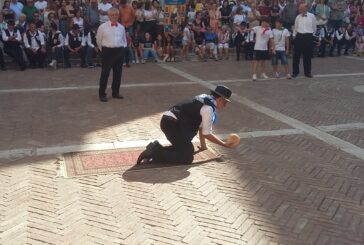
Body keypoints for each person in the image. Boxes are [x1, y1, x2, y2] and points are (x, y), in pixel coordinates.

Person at [136, 85, 235, 165]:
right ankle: (155, 152)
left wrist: (204, 146)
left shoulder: (205, 98)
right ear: (221, 99)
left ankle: (155, 148)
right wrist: (224, 144)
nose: (225, 105)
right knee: (186, 157)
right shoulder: (208, 108)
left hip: (168, 120)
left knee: (186, 149)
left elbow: (202, 128)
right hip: (172, 124)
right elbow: (207, 134)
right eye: (225, 102)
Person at [96, 8, 127, 102]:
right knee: (105, 74)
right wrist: (104, 50)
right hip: (107, 52)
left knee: (118, 74)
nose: (114, 16)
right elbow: (98, 40)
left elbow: (124, 40)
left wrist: (122, 49)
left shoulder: (122, 27)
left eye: (116, 15)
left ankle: (115, 92)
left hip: (119, 51)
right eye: (112, 15)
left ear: (118, 16)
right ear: (109, 16)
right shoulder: (102, 27)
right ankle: (102, 94)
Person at [292, 3, 316, 78]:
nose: (300, 10)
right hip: (299, 36)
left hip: (308, 37)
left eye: (301, 9)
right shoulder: (297, 17)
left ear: (306, 8)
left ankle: (307, 72)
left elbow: (314, 27)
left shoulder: (312, 16)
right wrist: (294, 37)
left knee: (307, 56)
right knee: (296, 56)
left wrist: (312, 36)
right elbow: (295, 28)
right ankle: (295, 72)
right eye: (299, 9)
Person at [251, 16, 274, 81]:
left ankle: (263, 73)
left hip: (265, 48)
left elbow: (271, 39)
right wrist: (243, 30)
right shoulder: (257, 28)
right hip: (257, 48)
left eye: (266, 22)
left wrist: (272, 48)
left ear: (268, 23)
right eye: (263, 22)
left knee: (263, 61)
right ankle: (254, 74)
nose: (264, 23)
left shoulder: (269, 30)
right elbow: (250, 29)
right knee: (256, 61)